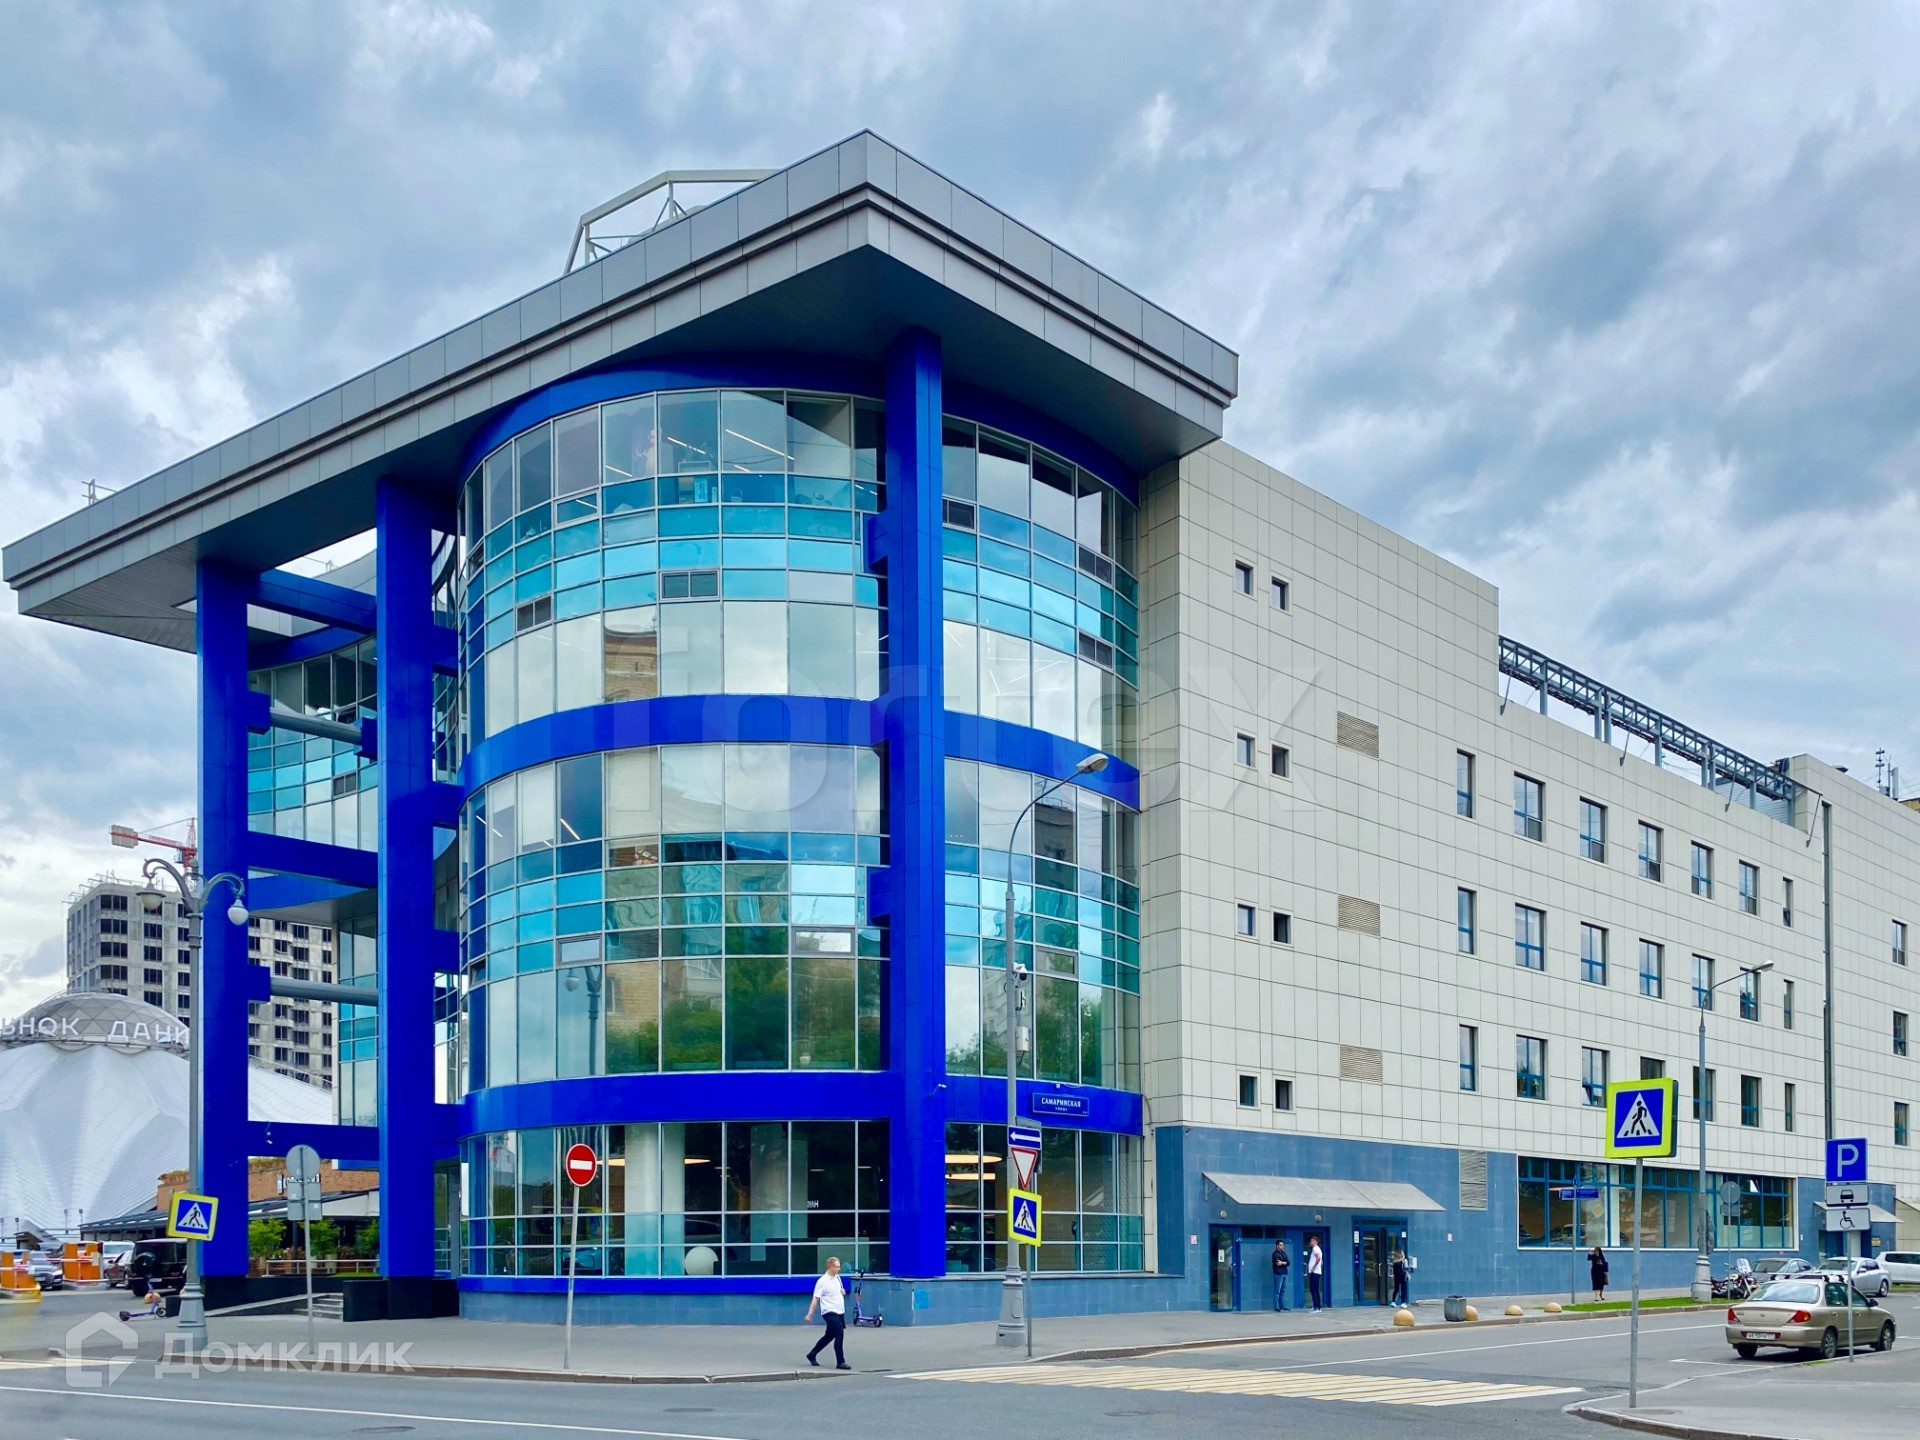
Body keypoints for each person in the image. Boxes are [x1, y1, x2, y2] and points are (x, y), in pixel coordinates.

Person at [804, 1255, 851, 1370]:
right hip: (829, 1312)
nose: (839, 1269)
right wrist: (810, 1314)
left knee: (829, 1336)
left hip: (839, 1311)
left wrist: (842, 1292)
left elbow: (838, 1291)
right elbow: (816, 1298)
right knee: (839, 1333)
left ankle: (812, 1354)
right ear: (830, 1267)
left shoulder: (837, 1278)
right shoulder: (822, 1281)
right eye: (837, 1267)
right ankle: (840, 1362)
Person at [1305, 1235, 1325, 1311]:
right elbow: (1321, 1262)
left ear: (1315, 1241)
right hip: (1316, 1272)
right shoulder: (1317, 1249)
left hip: (1315, 1272)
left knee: (1314, 1289)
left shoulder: (1315, 1248)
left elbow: (1318, 1258)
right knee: (1314, 1289)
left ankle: (1317, 1307)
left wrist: (1313, 1267)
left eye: (1311, 1241)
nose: (1310, 1242)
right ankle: (1315, 1306)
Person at [1270, 1238, 1291, 1311]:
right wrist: (1284, 1263)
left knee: (1283, 1290)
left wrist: (1282, 1262)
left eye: (1282, 1245)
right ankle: (1276, 1306)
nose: (1282, 1246)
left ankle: (1282, 1306)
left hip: (1284, 1273)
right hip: (1278, 1274)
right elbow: (1278, 1263)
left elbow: (1288, 1262)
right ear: (1277, 1246)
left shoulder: (1284, 1253)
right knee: (1277, 1291)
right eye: (1281, 1245)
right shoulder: (1275, 1254)